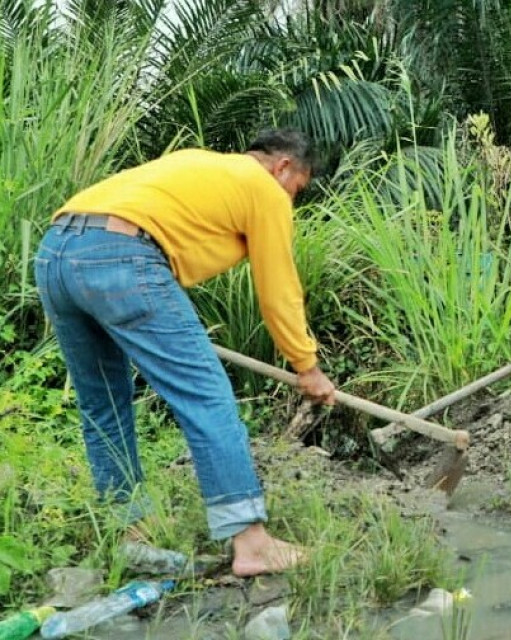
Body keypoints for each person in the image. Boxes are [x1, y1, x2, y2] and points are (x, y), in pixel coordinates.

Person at [34, 128, 336, 576]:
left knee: (103, 403)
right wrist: (306, 366)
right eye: (298, 190)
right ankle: (252, 544)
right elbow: (279, 292)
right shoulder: (263, 188)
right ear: (283, 167)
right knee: (207, 396)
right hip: (122, 255)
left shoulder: (202, 163)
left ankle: (129, 531)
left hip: (56, 253)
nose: (292, 201)